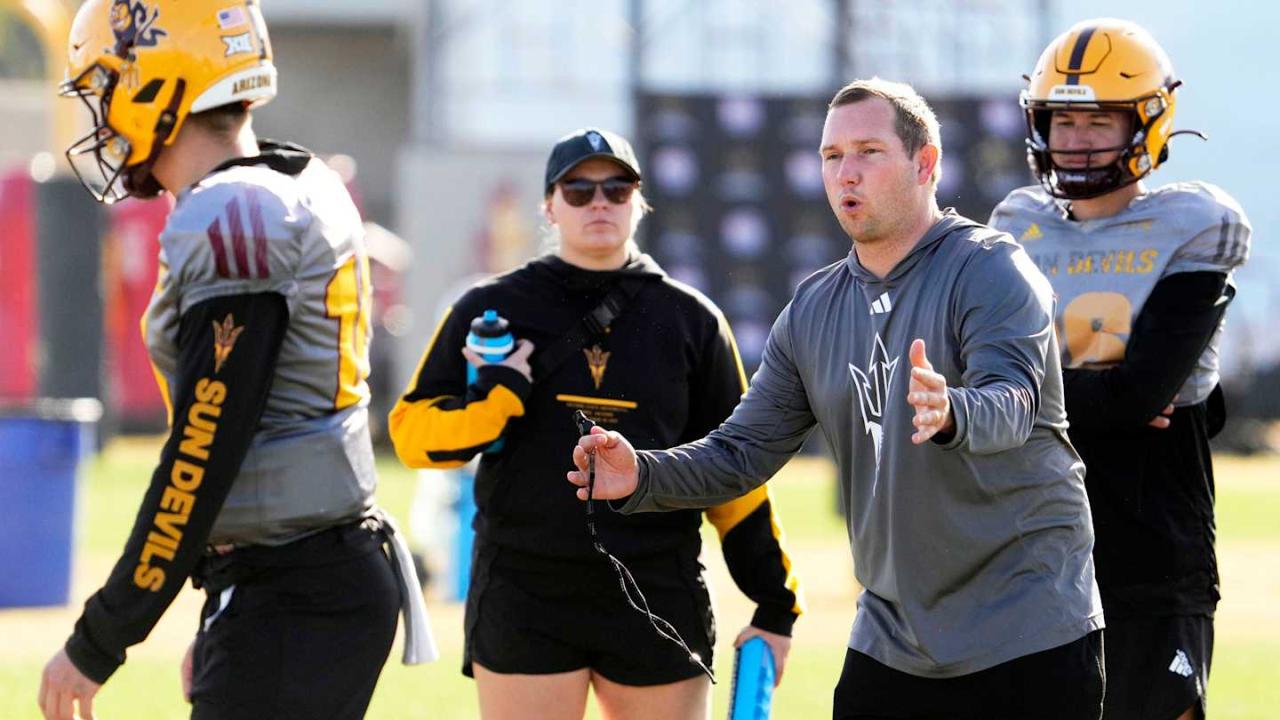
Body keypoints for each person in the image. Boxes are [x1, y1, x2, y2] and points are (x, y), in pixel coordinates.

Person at [569, 80, 1106, 720]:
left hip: (1025, 632)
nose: (845, 172)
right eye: (831, 156)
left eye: (868, 152)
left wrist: (953, 412)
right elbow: (743, 451)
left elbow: (1013, 403)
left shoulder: (990, 268)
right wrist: (643, 474)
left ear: (925, 163)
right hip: (893, 637)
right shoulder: (813, 309)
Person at [39, 2, 433, 719]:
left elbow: (203, 450)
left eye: (109, 86)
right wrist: (227, 597)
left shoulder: (234, 213)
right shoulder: (297, 179)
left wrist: (102, 636)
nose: (103, 113)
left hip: (297, 587)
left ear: (155, 83)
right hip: (299, 573)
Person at [389, 127, 802, 720]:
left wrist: (774, 605)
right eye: (579, 190)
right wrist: (498, 399)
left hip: (657, 590)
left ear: (639, 200)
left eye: (617, 188)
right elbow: (412, 438)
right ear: (549, 206)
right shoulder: (490, 309)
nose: (599, 202)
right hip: (524, 590)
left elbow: (736, 473)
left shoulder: (692, 320)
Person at [990, 19, 1251, 720]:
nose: (1076, 138)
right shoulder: (1015, 225)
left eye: (1099, 119)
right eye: (1063, 119)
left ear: (1147, 122)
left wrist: (1037, 396)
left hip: (1151, 544)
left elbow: (1137, 396)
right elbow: (988, 384)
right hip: (1032, 546)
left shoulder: (1194, 224)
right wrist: (1098, 394)